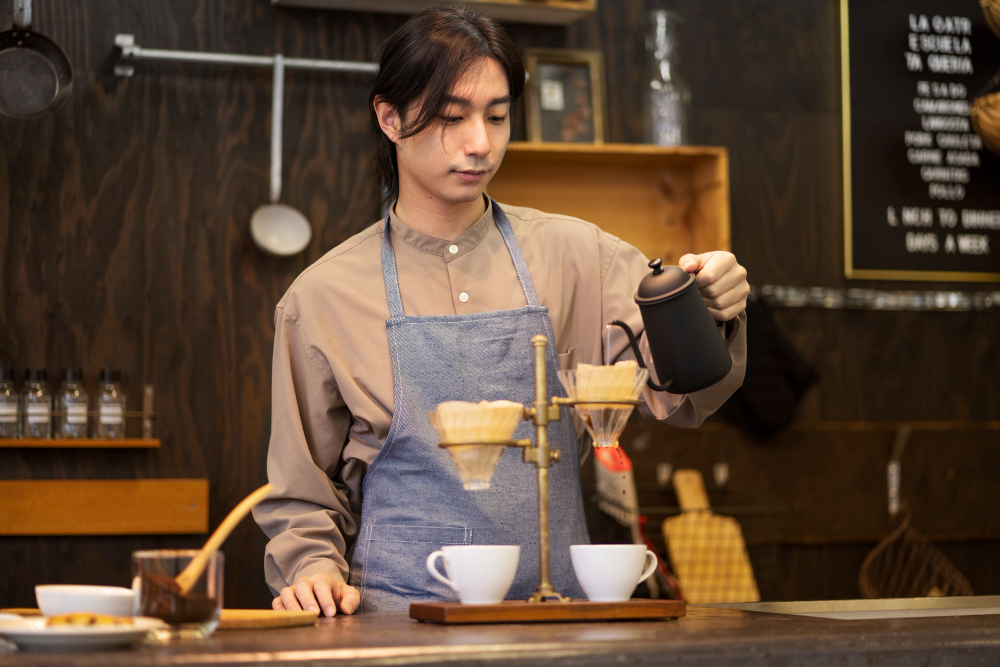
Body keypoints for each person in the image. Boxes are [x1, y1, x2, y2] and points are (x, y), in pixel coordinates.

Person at [252, 5, 749, 616]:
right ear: (389, 117)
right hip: (394, 629)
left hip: (560, 623)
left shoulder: (578, 257)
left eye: (497, 115)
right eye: (451, 117)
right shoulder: (322, 297)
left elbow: (684, 395)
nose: (480, 143)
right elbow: (302, 493)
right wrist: (312, 569)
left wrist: (713, 309)